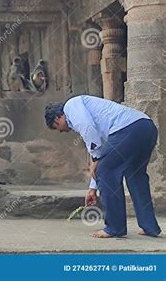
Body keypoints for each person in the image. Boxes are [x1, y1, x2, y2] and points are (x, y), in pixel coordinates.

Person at [44, 95, 161, 238]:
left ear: (57, 118)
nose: (62, 131)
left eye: (58, 128)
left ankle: (114, 227)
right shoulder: (91, 113)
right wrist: (92, 189)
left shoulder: (71, 105)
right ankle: (150, 227)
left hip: (128, 129)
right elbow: (100, 154)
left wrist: (95, 158)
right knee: (135, 176)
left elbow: (89, 130)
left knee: (106, 171)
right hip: (146, 128)